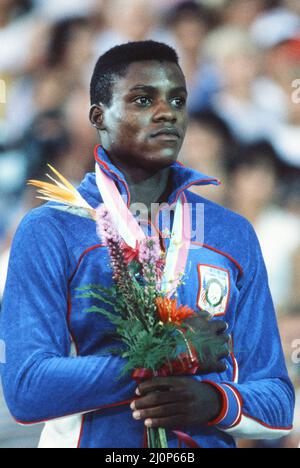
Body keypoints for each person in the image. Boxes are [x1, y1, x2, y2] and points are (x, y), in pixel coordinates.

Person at [0, 41, 294, 449]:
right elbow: (26, 387)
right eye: (143, 99)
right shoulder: (52, 230)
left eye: (178, 99)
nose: (166, 111)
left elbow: (278, 400)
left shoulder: (231, 233)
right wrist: (165, 357)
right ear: (98, 117)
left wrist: (215, 401)